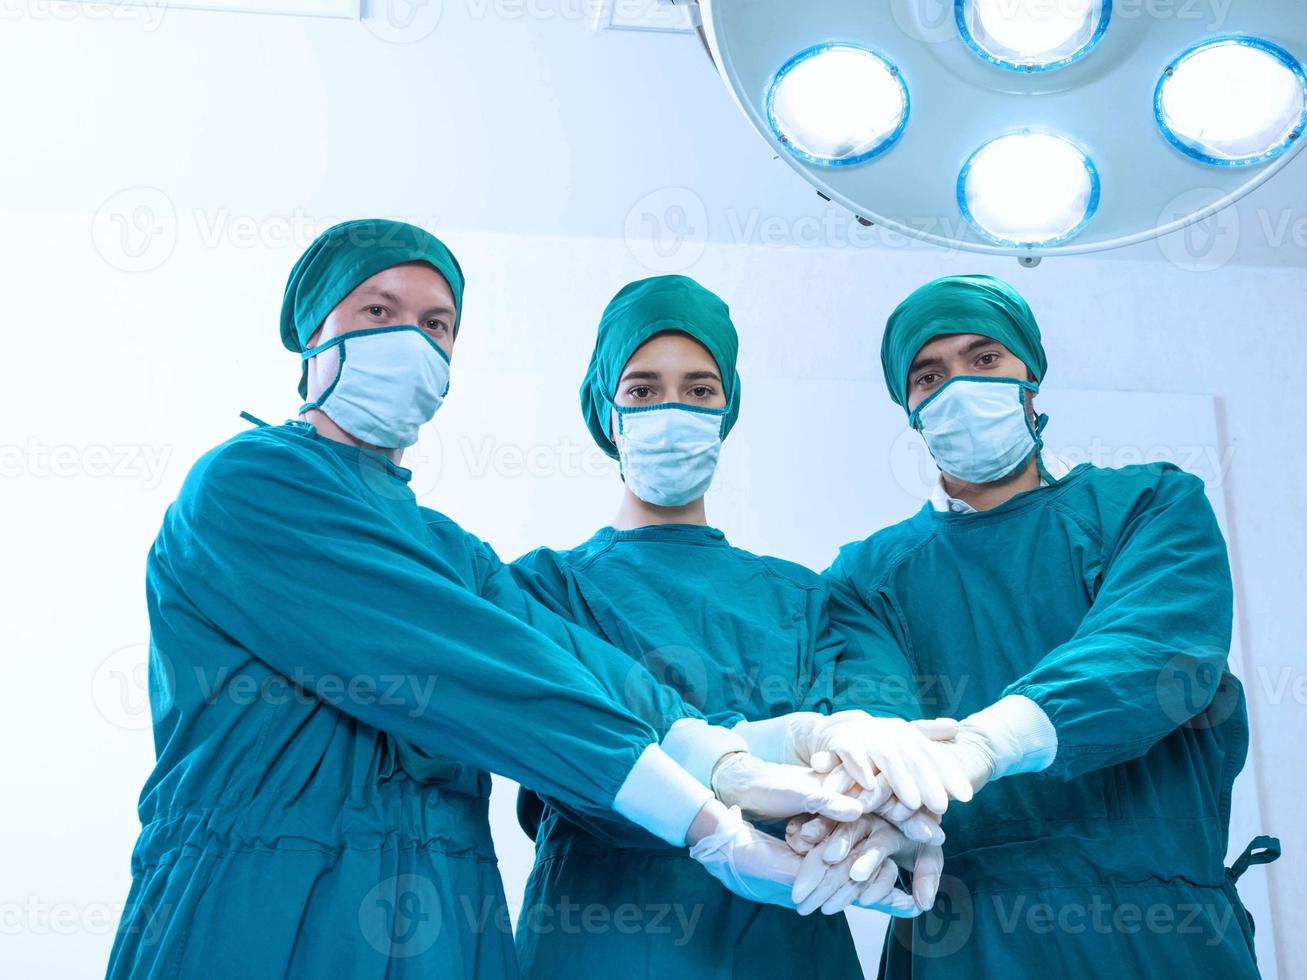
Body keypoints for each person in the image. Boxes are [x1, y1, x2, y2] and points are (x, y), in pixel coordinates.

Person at [104, 221, 869, 980]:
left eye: (436, 324)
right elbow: (488, 678)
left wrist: (732, 756)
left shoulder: (453, 550)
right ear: (312, 330)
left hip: (442, 905)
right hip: (256, 899)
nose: (411, 338)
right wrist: (710, 827)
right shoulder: (250, 485)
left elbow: (570, 660)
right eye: (378, 310)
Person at [476, 275, 971, 979]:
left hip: (785, 929)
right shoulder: (539, 587)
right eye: (644, 389)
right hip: (601, 931)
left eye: (699, 389)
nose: (673, 409)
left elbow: (872, 743)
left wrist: (866, 821)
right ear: (605, 409)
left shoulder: (807, 598)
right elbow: (565, 746)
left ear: (726, 407)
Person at [819, 273, 1279, 978]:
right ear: (908, 408)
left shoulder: (1148, 507)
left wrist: (981, 743)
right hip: (968, 939)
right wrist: (875, 817)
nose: (958, 388)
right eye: (928, 375)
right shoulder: (866, 578)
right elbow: (877, 730)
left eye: (984, 360)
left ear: (1029, 376)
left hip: (1160, 933)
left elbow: (1150, 656)